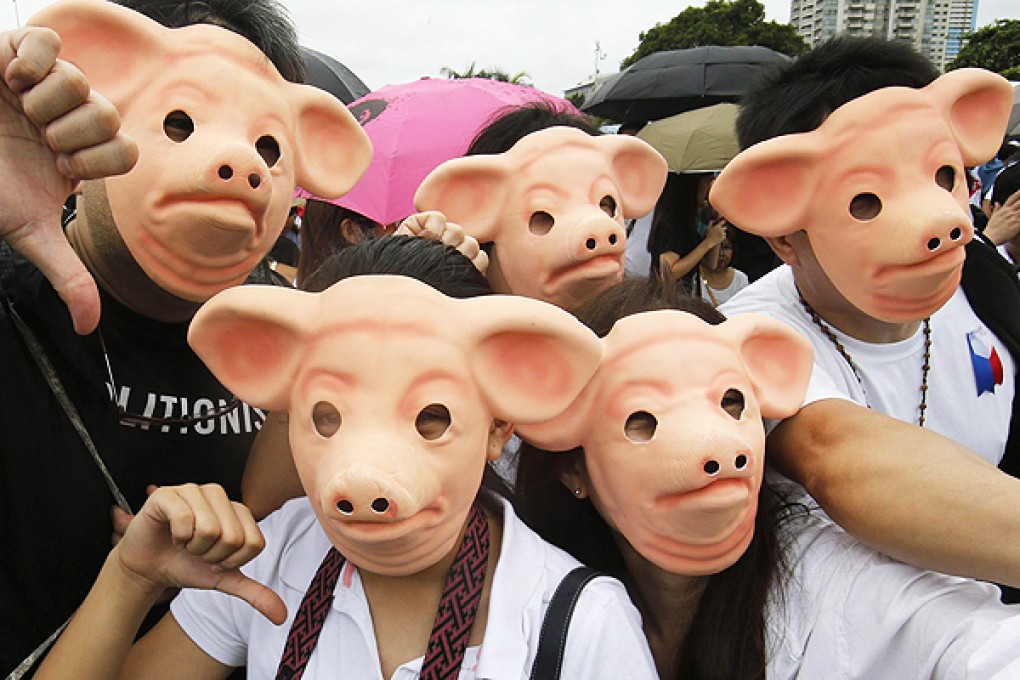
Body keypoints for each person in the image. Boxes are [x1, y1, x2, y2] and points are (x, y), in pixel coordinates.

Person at [34, 241, 656, 680]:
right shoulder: (272, 557)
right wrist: (132, 579)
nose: (361, 471)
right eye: (326, 418)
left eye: (430, 419)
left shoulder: (579, 623)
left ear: (499, 423)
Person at [0, 1, 372, 675]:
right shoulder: (11, 300)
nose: (240, 165)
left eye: (267, 146)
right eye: (180, 122)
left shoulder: (294, 338)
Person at [515, 278, 1020, 679]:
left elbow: (971, 644)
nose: (718, 448)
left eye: (732, 403)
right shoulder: (535, 603)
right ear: (571, 466)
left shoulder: (830, 584)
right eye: (641, 420)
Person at [710, 36, 1020, 595]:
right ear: (782, 231)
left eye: (942, 178)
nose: (940, 219)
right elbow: (838, 458)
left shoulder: (977, 276)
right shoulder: (752, 334)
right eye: (866, 202)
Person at [645, 172, 727, 291]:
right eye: (707, 180)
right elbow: (668, 273)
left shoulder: (697, 216)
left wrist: (715, 234)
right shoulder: (674, 220)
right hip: (667, 298)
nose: (710, 185)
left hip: (687, 294)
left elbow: (710, 264)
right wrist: (708, 242)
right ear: (693, 185)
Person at [697, 233, 748, 306]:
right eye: (716, 247)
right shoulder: (694, 277)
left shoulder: (741, 280)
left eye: (726, 247)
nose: (721, 253)